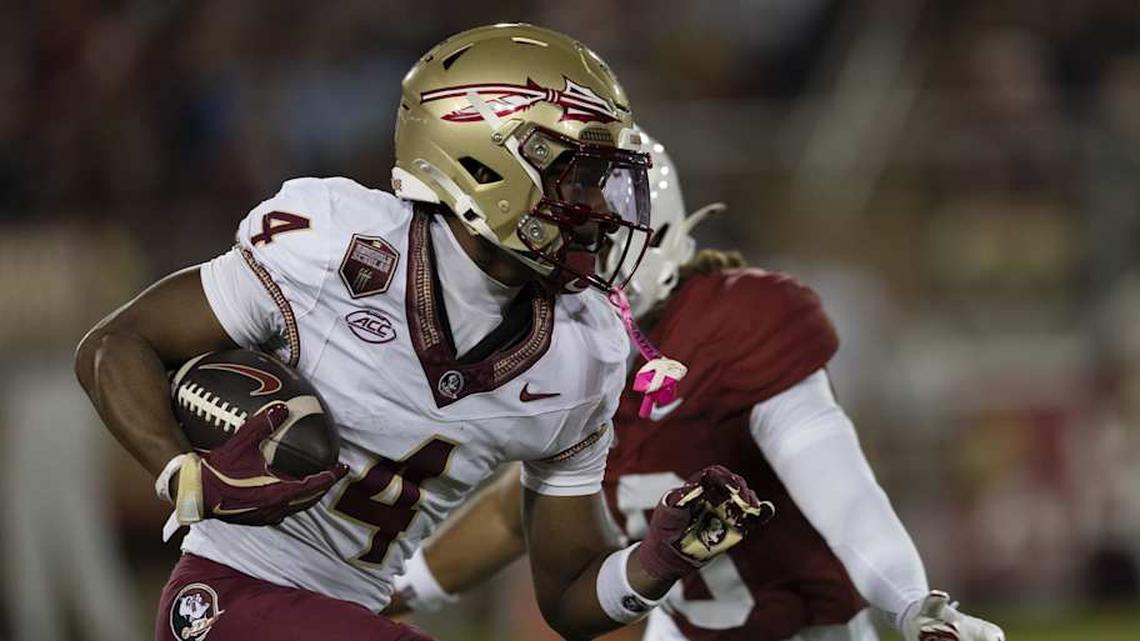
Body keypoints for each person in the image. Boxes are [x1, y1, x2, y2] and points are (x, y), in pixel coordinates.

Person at [74, 24, 766, 641]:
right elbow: (116, 343)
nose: (601, 212)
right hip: (229, 597)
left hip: (353, 615)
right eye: (579, 178)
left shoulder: (582, 355)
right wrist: (181, 472)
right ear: (485, 161)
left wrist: (655, 560)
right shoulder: (334, 243)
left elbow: (565, 598)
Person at [390, 136, 1007, 641]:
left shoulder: (732, 326)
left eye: (591, 235)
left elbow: (842, 491)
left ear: (652, 237)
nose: (573, 256)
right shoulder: (563, 351)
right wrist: (389, 590)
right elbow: (511, 513)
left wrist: (911, 605)